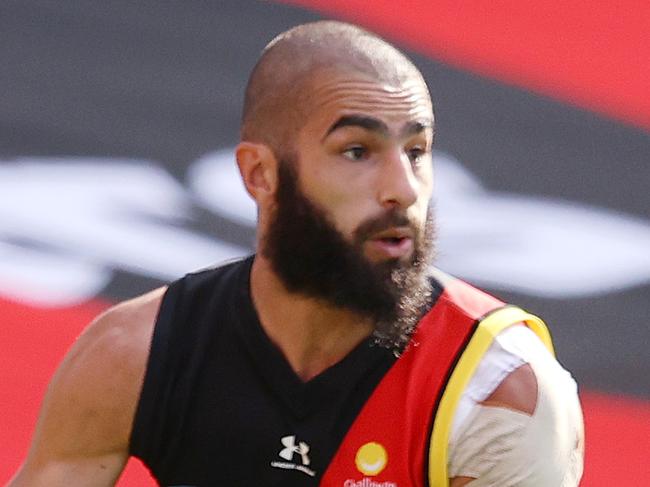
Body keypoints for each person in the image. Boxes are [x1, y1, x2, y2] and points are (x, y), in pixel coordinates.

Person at [9, 21, 583, 486]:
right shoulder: (137, 351)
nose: (403, 189)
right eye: (357, 150)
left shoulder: (500, 390)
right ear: (260, 174)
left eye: (416, 150)